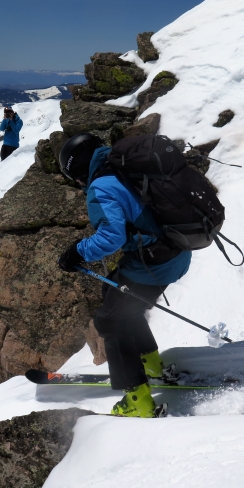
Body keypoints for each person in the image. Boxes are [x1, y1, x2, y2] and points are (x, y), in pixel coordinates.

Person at [56, 133, 192, 418]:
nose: (79, 184)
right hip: (175, 251)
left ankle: (138, 401)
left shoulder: (102, 186)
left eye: (76, 178)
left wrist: (77, 252)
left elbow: (111, 238)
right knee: (116, 297)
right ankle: (153, 367)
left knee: (109, 321)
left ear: (79, 170)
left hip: (155, 262)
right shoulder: (124, 168)